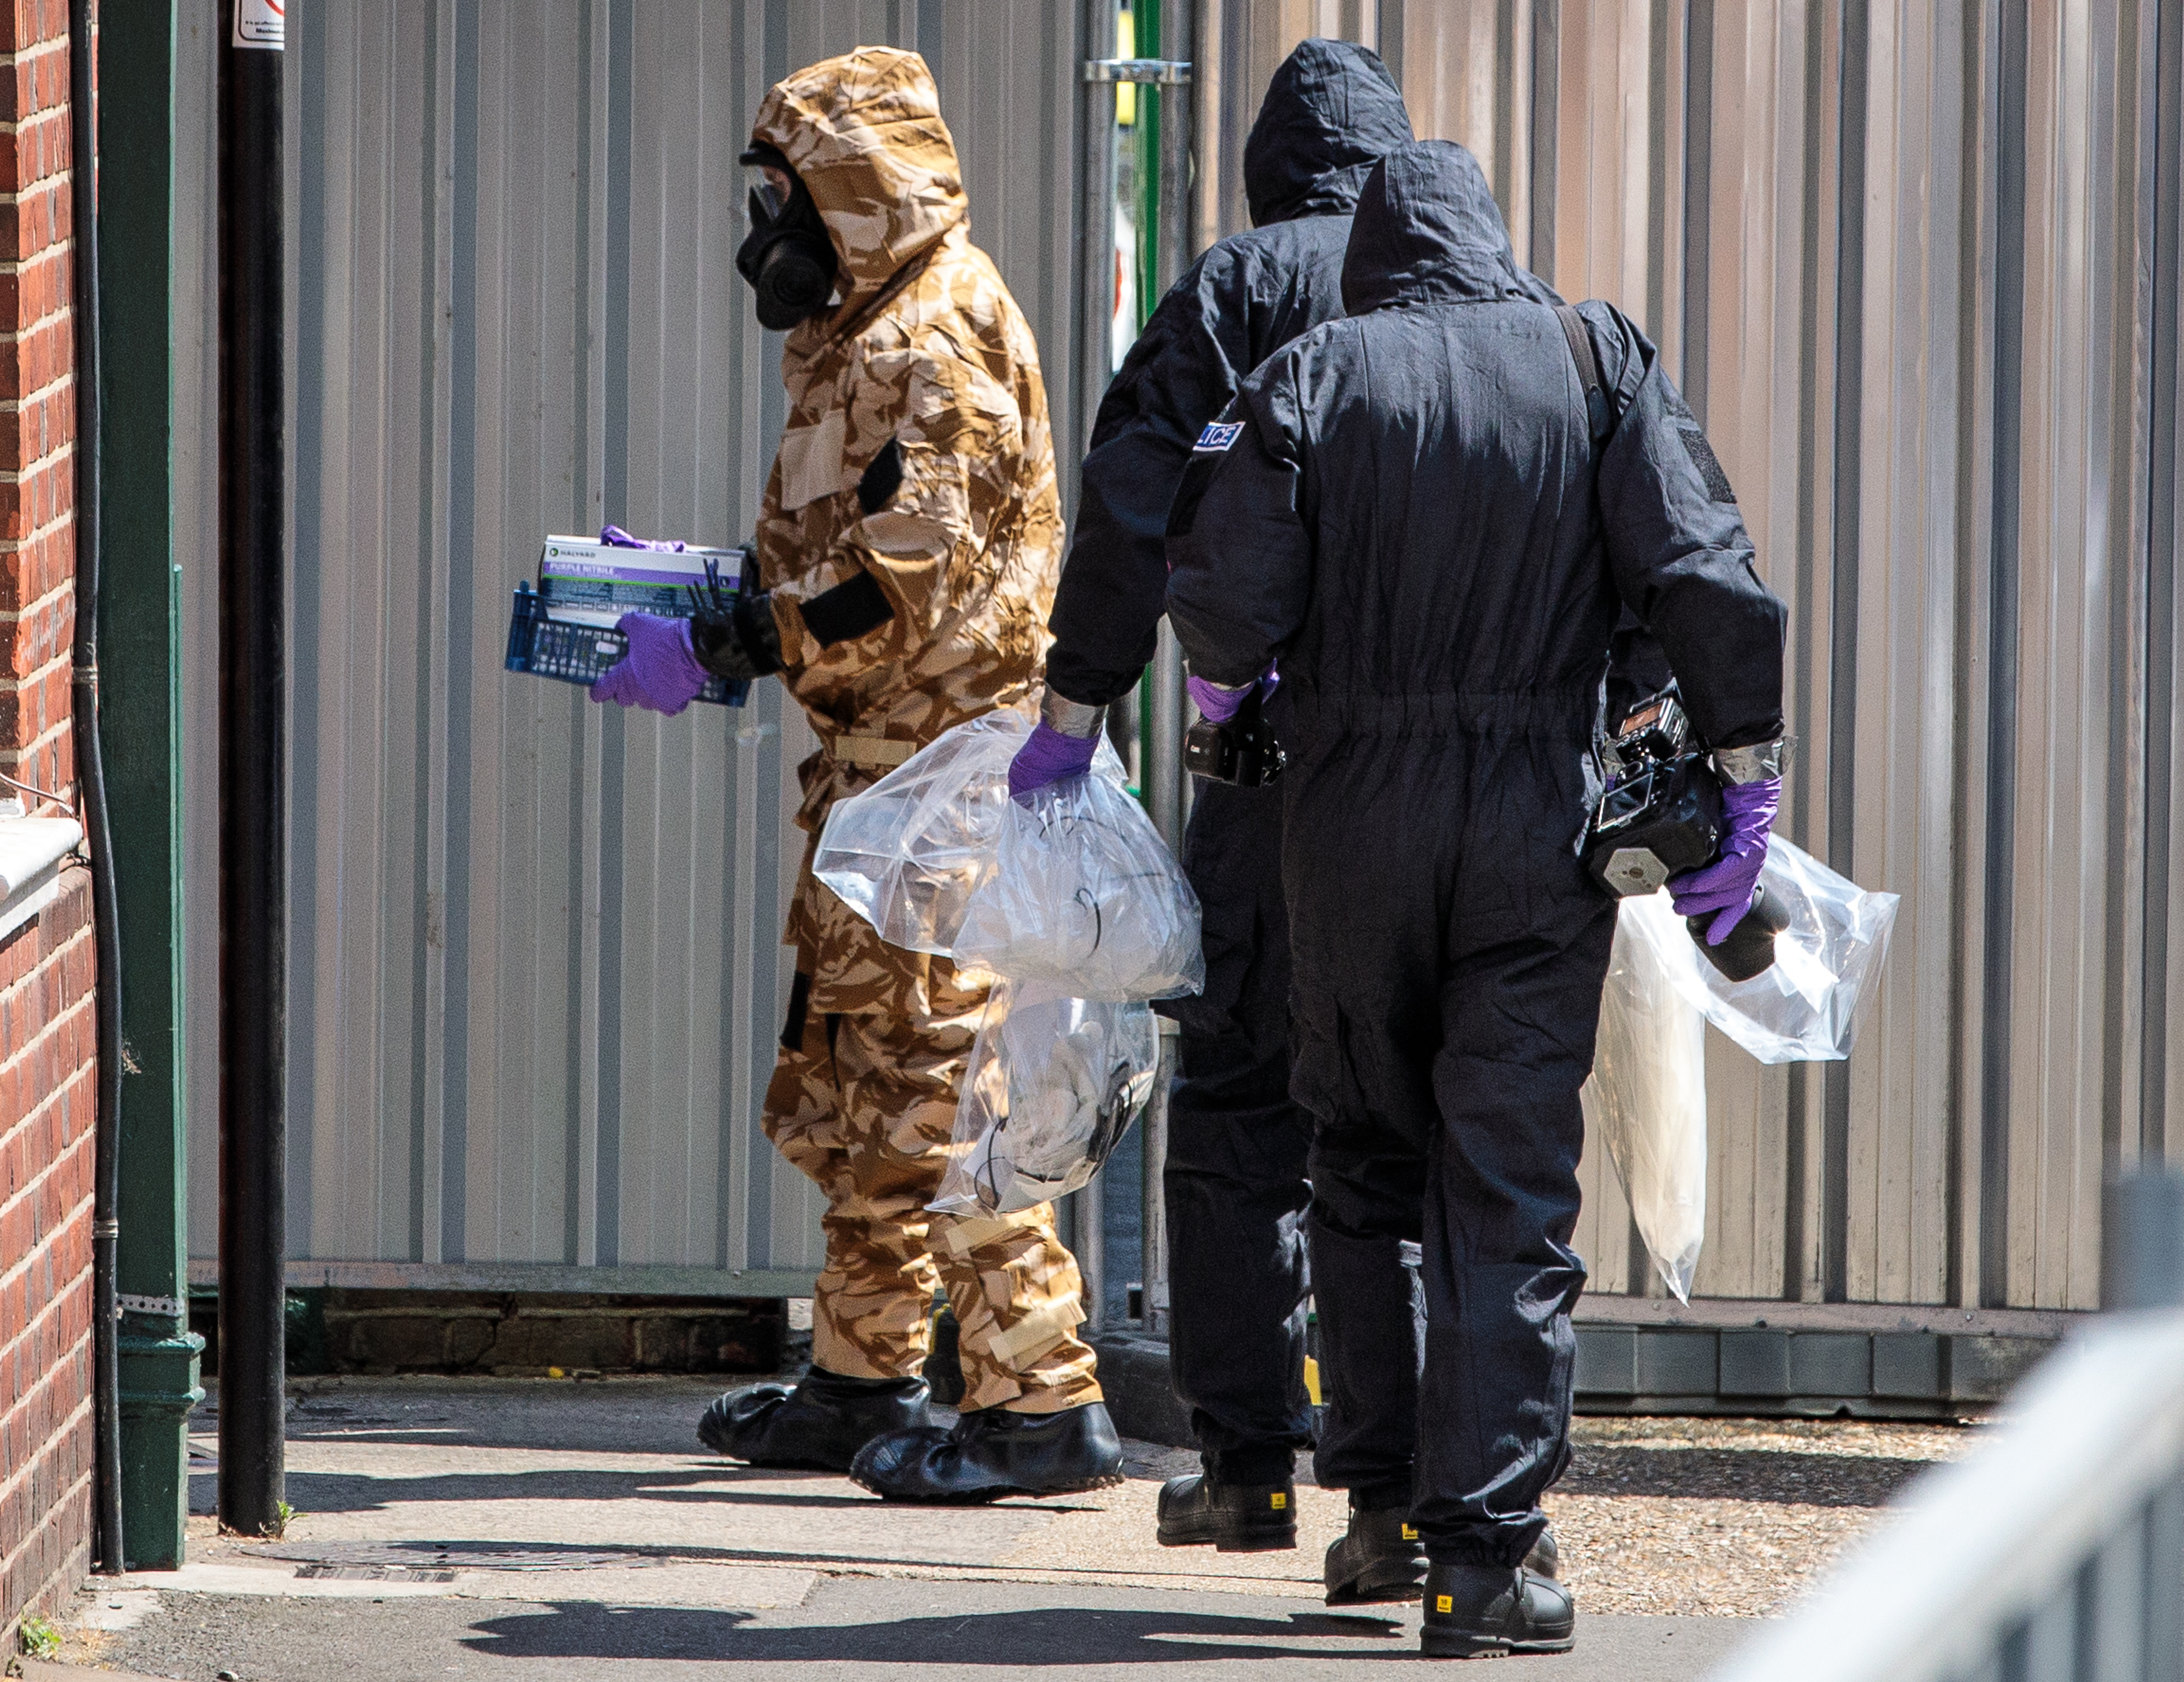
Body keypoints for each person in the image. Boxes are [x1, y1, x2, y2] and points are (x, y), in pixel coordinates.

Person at [1162, 142, 1788, 1658]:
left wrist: (1249, 692)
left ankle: (1378, 1515)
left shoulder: (1310, 375)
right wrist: (1743, 772)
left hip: (1347, 822)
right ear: (1492, 241)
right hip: (1532, 817)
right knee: (1507, 1188)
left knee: (1363, 1166)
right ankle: (1486, 1558)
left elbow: (1222, 602)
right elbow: (1702, 570)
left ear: (1368, 253)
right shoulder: (1591, 357)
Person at [1008, 39, 1556, 1605]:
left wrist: (1080, 704)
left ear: (1267, 170)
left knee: (1246, 1101)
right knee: (1430, 1146)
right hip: (1476, 785)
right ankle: (1427, 1501)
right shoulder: (1494, 305)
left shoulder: (1235, 290)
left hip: (1266, 770)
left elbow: (1130, 502)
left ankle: (1244, 1462)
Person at [588, 45, 1125, 1504]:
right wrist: (723, 590)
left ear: (855, 196)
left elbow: (902, 587)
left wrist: (731, 644)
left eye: (788, 198)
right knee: (862, 1078)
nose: (766, 231)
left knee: (938, 1087)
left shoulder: (923, 345)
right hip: (888, 776)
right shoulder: (870, 324)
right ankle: (860, 1375)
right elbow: (853, 548)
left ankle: (1039, 1403)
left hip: (939, 781)